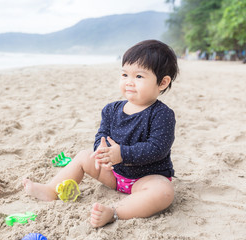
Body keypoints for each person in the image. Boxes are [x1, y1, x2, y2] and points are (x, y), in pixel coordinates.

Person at [23, 39, 179, 228]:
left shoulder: (162, 114)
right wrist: (100, 150)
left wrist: (122, 154)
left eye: (139, 76)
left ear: (162, 82)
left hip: (146, 178)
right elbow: (102, 134)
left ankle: (114, 211)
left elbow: (157, 148)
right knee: (83, 156)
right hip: (114, 174)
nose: (129, 82)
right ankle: (51, 190)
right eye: (124, 74)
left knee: (164, 192)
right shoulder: (111, 110)